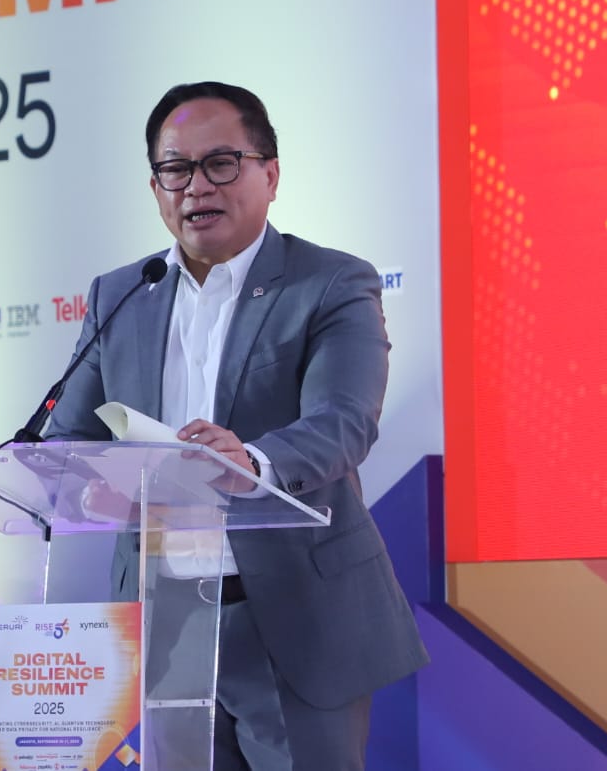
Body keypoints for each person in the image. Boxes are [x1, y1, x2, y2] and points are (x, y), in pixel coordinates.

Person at [44, 81, 428, 770]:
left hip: (295, 617)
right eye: (175, 169)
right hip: (164, 625)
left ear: (270, 175)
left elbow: (343, 421)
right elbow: (67, 441)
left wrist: (250, 461)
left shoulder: (331, 282)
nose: (197, 186)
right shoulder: (122, 294)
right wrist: (83, 481)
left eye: (221, 163)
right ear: (156, 186)